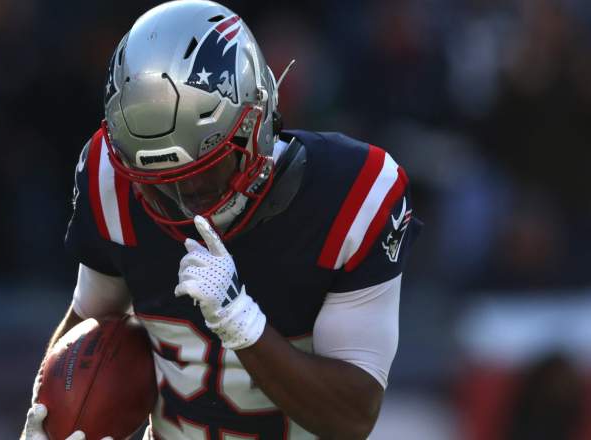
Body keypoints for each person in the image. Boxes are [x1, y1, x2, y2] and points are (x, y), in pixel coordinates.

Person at [22, 1, 420, 438]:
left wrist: (241, 322)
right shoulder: (109, 176)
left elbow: (353, 416)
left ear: (255, 122)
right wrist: (52, 415)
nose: (185, 198)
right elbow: (90, 326)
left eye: (204, 171)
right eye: (159, 181)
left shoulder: (352, 192)